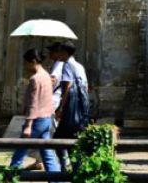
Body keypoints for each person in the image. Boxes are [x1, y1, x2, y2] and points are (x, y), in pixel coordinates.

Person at [9, 49, 60, 176]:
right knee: (47, 154)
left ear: (33, 62)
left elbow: (33, 104)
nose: (25, 66)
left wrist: (28, 125)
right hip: (47, 119)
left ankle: (11, 177)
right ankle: (57, 179)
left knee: (19, 153)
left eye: (26, 63)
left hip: (37, 120)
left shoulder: (35, 79)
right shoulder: (47, 76)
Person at [26, 43, 65, 171]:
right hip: (51, 105)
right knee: (45, 137)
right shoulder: (56, 65)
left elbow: (52, 81)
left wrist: (40, 76)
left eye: (52, 51)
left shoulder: (58, 65)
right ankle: (41, 162)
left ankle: (51, 162)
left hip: (51, 104)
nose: (49, 54)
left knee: (30, 141)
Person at [53, 41, 90, 170]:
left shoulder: (67, 65)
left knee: (58, 139)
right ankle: (74, 168)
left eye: (60, 52)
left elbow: (67, 87)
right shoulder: (79, 66)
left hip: (70, 110)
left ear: (64, 52)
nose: (58, 54)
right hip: (80, 109)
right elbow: (85, 87)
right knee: (72, 140)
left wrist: (61, 108)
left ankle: (66, 168)